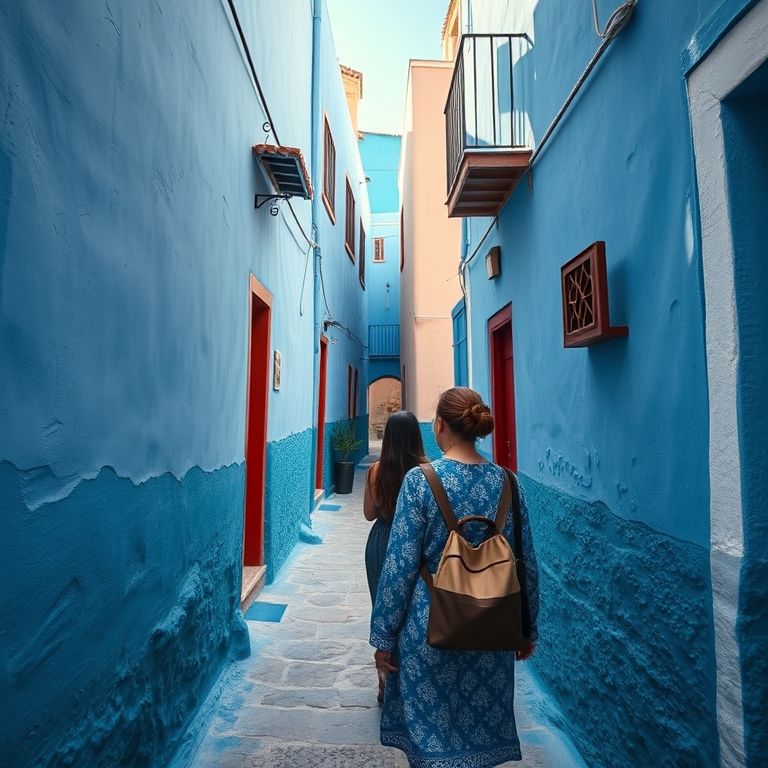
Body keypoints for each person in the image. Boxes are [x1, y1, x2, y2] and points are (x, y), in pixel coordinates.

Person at [369, 387, 540, 768]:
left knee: (431, 744)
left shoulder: (420, 482)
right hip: (492, 633)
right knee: (478, 739)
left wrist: (383, 638)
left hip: (428, 631)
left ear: (440, 426)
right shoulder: (509, 484)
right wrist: (527, 629)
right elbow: (525, 564)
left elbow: (398, 566)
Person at [364, 410, 427, 703]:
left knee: (384, 608)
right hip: (416, 544)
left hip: (382, 542)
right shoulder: (428, 471)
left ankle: (384, 682)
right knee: (413, 613)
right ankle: (412, 682)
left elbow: (368, 514)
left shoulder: (376, 470)